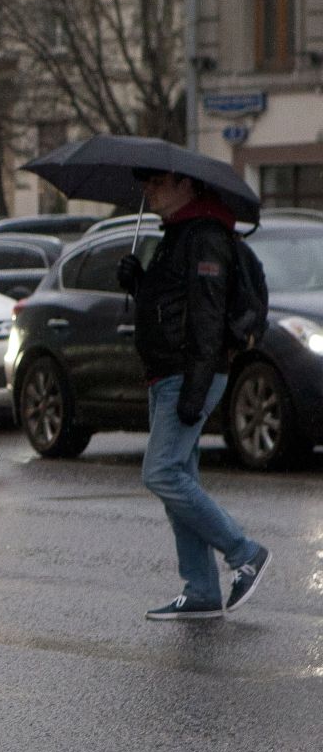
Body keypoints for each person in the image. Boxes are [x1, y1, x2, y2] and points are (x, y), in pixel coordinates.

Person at [117, 168, 272, 621]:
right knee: (179, 478)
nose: (149, 189)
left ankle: (245, 553)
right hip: (167, 373)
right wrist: (139, 282)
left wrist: (196, 387)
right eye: (146, 183)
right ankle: (201, 589)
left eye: (158, 181)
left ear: (187, 184)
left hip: (188, 374)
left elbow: (206, 318)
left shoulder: (204, 237)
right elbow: (172, 305)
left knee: (161, 473)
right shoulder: (179, 234)